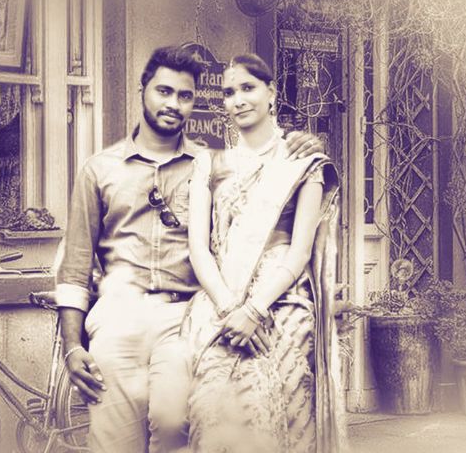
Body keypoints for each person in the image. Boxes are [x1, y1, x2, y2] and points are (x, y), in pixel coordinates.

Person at [55, 45, 325, 453]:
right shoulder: (99, 169)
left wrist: (304, 142)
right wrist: (72, 346)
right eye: (163, 91)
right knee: (114, 443)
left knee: (176, 427)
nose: (173, 104)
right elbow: (75, 269)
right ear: (143, 89)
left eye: (185, 96)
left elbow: (264, 204)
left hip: (181, 320)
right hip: (116, 317)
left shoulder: (211, 165)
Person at [185, 53, 344, 453]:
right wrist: (230, 310)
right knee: (211, 405)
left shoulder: (303, 163)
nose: (238, 100)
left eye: (248, 88)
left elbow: (299, 252)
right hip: (221, 300)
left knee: (283, 403)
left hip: (283, 300)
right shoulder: (209, 163)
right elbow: (198, 249)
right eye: (229, 92)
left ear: (271, 93)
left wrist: (254, 311)